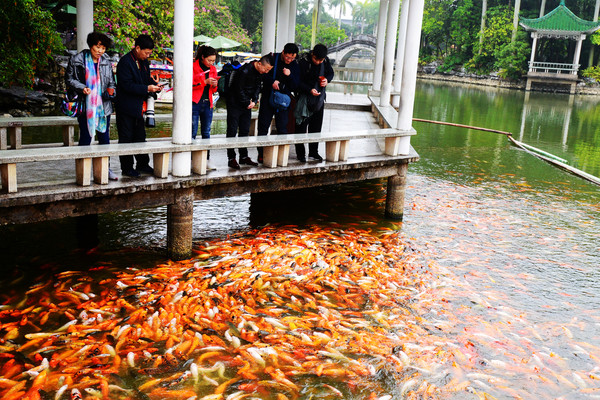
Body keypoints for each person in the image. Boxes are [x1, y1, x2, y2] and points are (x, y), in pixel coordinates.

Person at [65, 31, 118, 180]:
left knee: (105, 139)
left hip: (103, 106)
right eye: (97, 47)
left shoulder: (106, 61)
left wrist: (111, 91)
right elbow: (69, 79)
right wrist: (82, 87)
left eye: (103, 48)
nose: (100, 51)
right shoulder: (77, 60)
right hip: (85, 105)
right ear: (91, 46)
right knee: (85, 138)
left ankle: (105, 169)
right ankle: (83, 171)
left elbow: (112, 82)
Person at [115, 34, 162, 178]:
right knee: (126, 137)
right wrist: (147, 88)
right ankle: (127, 167)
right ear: (137, 48)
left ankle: (142, 164)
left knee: (140, 136)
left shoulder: (144, 62)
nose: (147, 55)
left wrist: (155, 85)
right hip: (125, 105)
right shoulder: (125, 62)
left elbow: (145, 79)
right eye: (146, 52)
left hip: (138, 107)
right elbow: (126, 85)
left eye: (149, 53)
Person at [225, 54, 273, 170]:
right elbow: (238, 89)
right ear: (259, 64)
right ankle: (231, 157)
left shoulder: (259, 73)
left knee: (245, 130)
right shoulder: (244, 70)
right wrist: (247, 102)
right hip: (235, 104)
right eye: (266, 69)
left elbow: (257, 87)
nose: (266, 72)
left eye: (268, 70)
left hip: (247, 105)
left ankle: (243, 156)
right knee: (232, 130)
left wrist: (255, 100)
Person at [256, 43, 300, 163]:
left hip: (283, 100)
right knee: (263, 127)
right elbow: (261, 73)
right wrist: (272, 81)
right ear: (283, 52)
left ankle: (282, 155)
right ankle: (261, 154)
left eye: (292, 58)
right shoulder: (271, 58)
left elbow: (296, 85)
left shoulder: (294, 65)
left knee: (283, 128)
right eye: (287, 57)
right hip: (268, 96)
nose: (289, 60)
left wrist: (290, 75)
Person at [294, 44, 334, 162]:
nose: (318, 62)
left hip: (318, 99)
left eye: (320, 60)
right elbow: (296, 82)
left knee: (316, 127)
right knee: (301, 127)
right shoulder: (302, 61)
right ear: (312, 54)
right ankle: (300, 154)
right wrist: (309, 89)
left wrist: (327, 80)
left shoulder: (325, 61)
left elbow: (330, 73)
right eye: (316, 59)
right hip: (304, 98)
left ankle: (313, 152)